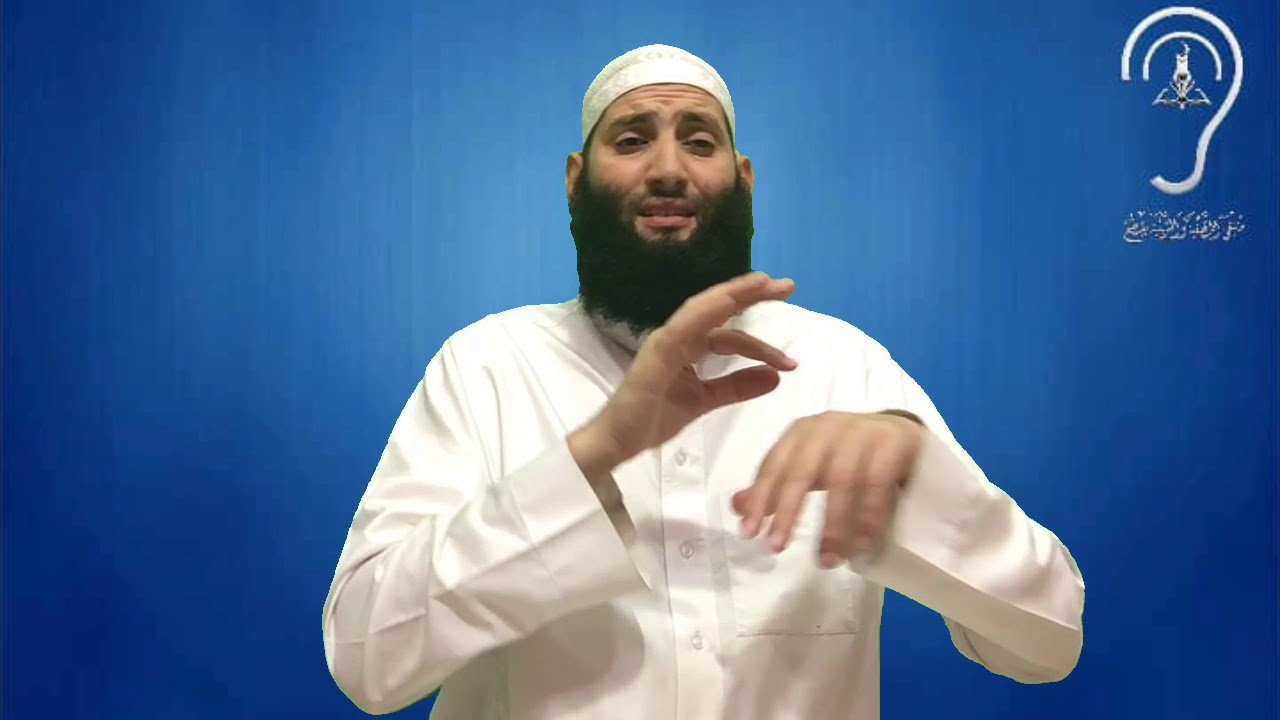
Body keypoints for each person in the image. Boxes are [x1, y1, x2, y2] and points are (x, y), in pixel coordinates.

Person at [321, 44, 1085, 719]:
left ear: (742, 179)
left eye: (699, 141)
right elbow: (366, 661)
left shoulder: (842, 367)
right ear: (576, 180)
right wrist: (591, 456)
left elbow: (1049, 640)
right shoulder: (488, 365)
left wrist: (918, 475)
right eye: (632, 139)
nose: (667, 169)